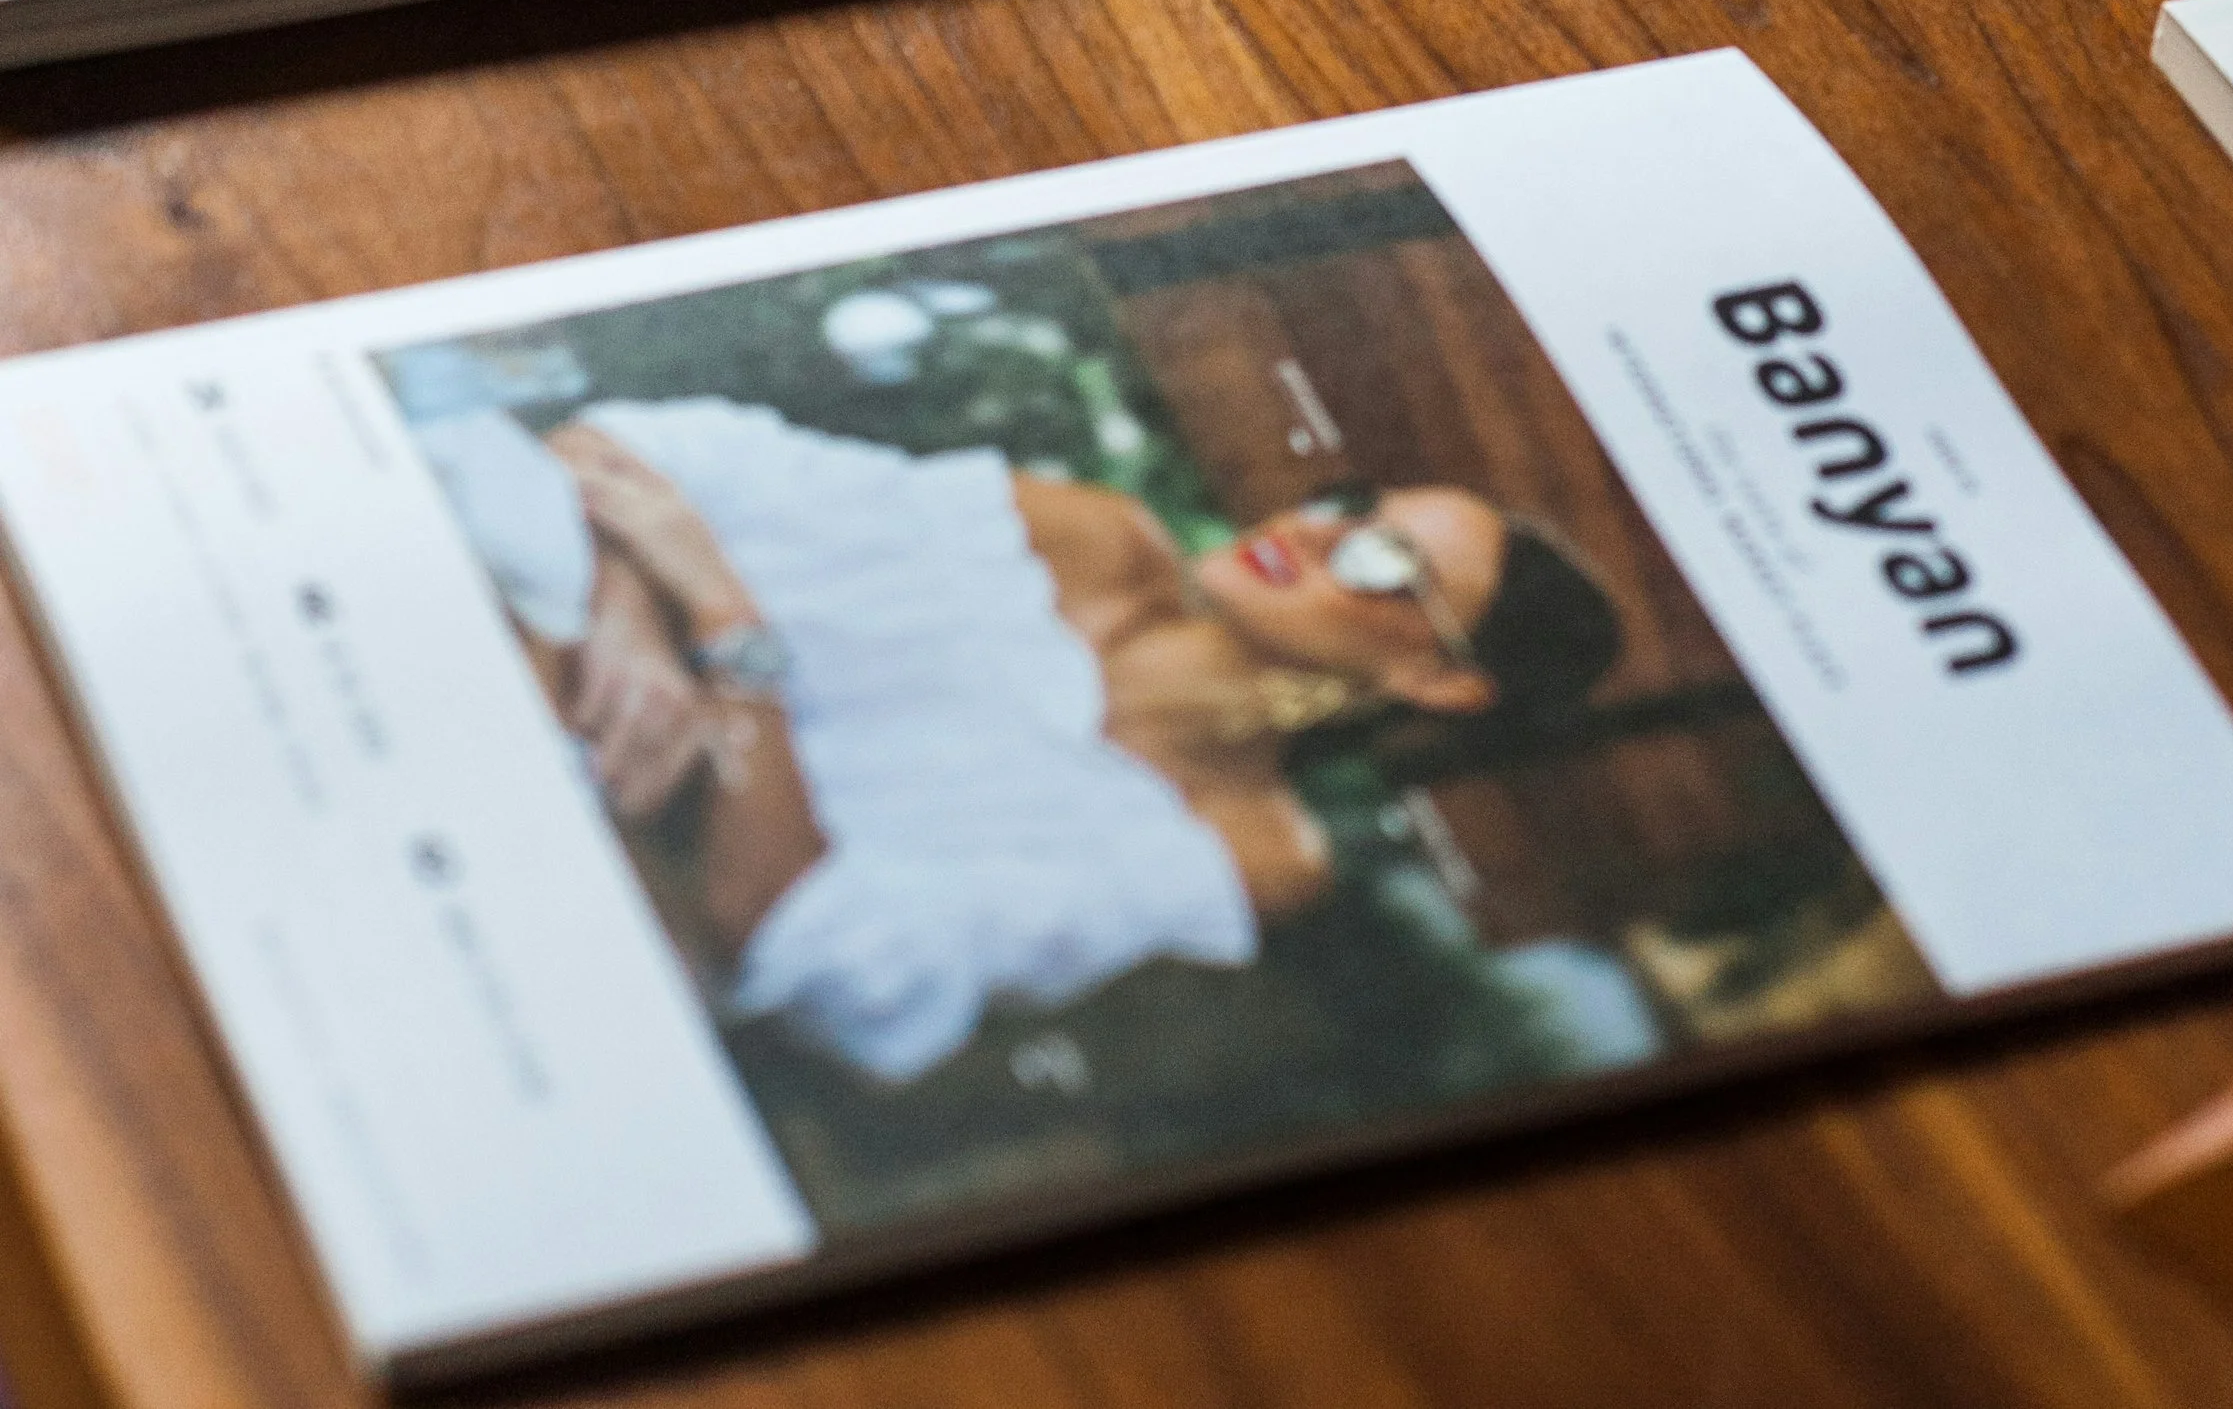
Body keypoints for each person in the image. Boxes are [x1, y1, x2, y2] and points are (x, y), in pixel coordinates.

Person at [416, 398, 1625, 1088]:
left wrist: (729, 630)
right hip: (474, 668)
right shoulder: (1090, 533)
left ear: (1434, 678)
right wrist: (633, 612)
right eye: (1354, 500)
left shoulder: (1248, 854)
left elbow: (811, 941)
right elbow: (646, 444)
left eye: (1383, 561)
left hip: (561, 910)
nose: (1315, 530)